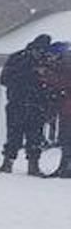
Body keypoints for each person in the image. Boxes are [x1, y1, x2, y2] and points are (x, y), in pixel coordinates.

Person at [0, 34, 54, 175]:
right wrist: (32, 74)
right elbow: (4, 79)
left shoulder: (42, 60)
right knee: (18, 134)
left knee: (31, 135)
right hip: (22, 101)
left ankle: (24, 164)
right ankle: (13, 163)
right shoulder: (20, 59)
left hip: (32, 103)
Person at [40, 40, 71, 178]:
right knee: (65, 139)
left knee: (66, 139)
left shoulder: (64, 67)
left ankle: (65, 167)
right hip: (65, 108)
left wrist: (48, 77)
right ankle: (64, 166)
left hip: (67, 108)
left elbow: (61, 84)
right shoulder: (62, 66)